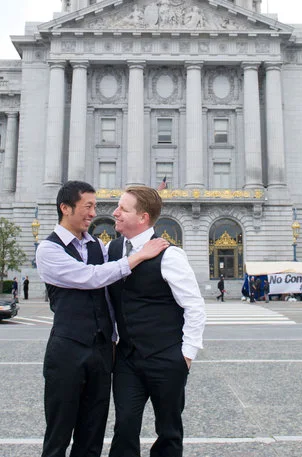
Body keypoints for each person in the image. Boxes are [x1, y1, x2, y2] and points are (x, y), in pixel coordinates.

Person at [35, 180, 169, 457]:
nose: (93, 213)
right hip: (67, 349)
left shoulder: (99, 246)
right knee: (59, 434)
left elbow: (113, 291)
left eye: (94, 206)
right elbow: (91, 278)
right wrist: (139, 255)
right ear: (65, 208)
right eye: (88, 206)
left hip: (101, 350)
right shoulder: (48, 250)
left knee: (92, 432)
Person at [106, 185, 205, 457]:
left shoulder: (171, 255)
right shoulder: (112, 249)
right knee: (124, 427)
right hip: (127, 359)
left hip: (166, 358)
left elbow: (194, 306)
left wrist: (186, 355)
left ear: (143, 218)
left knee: (169, 431)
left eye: (122, 209)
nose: (114, 212)